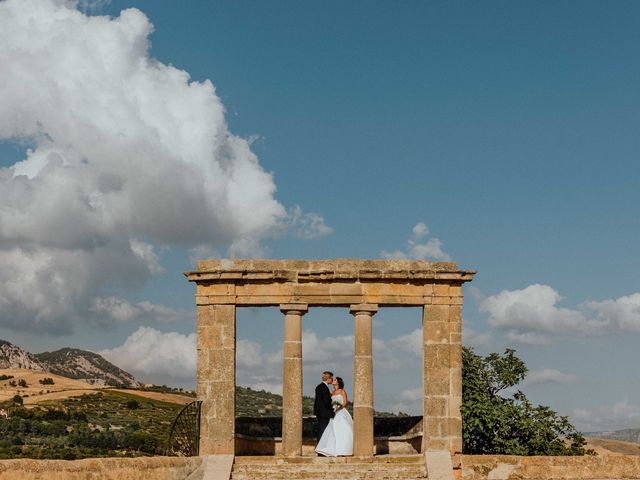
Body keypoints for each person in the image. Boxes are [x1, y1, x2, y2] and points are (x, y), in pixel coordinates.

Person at [315, 376, 353, 457]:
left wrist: (340, 407)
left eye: (335, 380)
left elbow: (346, 402)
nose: (333, 380)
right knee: (332, 430)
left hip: (341, 411)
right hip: (334, 412)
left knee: (342, 429)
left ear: (338, 382)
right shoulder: (332, 392)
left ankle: (343, 449)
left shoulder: (342, 391)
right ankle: (332, 449)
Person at [314, 371, 335, 445]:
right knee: (323, 431)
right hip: (324, 413)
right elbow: (326, 401)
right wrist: (333, 408)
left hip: (320, 412)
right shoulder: (324, 388)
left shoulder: (319, 386)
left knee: (321, 430)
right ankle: (321, 449)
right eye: (331, 378)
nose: (332, 380)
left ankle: (321, 448)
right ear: (328, 378)